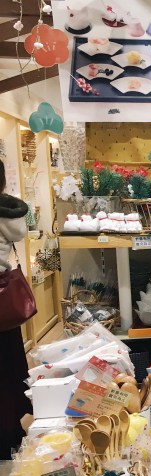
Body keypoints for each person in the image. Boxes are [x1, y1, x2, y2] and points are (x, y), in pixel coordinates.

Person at [0, 159, 32, 460]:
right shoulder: (6, 213)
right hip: (2, 300)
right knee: (8, 366)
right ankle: (11, 431)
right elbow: (20, 231)